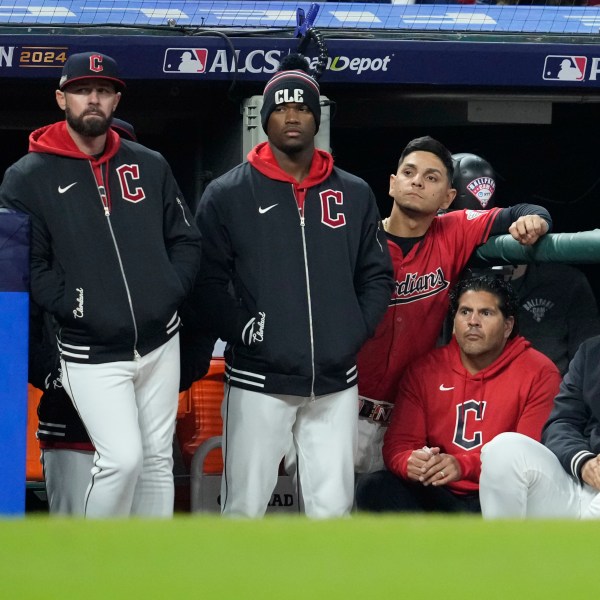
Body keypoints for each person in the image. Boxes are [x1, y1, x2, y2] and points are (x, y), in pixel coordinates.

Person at [0, 52, 202, 518]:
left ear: (116, 100)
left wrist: (167, 290)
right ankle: (96, 570)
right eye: (82, 90)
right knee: (122, 459)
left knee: (156, 460)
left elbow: (186, 239)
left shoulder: (148, 164)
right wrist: (77, 307)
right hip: (90, 347)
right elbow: (32, 264)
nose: (93, 98)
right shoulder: (28, 176)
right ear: (61, 98)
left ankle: (147, 574)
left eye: (104, 90)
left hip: (158, 341)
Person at [191, 53, 393, 518]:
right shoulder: (228, 193)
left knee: (333, 509)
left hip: (336, 382)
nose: (292, 116)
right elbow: (206, 280)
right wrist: (245, 330)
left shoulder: (355, 192)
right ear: (265, 120)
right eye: (281, 108)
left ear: (315, 117)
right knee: (243, 506)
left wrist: (352, 330)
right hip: (259, 379)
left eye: (302, 107)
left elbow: (377, 273)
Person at [354, 137, 552, 474]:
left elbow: (523, 212)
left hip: (406, 418)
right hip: (341, 409)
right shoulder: (354, 239)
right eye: (409, 172)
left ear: (448, 197)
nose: (417, 181)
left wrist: (537, 221)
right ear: (392, 183)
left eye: (431, 177)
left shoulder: (453, 229)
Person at [355, 275, 561, 513]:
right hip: (441, 489)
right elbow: (399, 444)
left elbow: (528, 457)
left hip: (501, 494)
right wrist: (412, 462)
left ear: (508, 326)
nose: (473, 321)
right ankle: (438, 547)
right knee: (374, 487)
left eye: (486, 313)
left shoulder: (539, 372)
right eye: (465, 312)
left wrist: (462, 466)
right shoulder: (426, 369)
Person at [30, 119, 138, 516]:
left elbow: (190, 310)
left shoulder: (153, 237)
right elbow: (19, 324)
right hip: (70, 420)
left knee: (139, 550)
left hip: (142, 417)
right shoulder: (50, 234)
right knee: (73, 544)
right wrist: (51, 373)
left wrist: (178, 373)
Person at [450, 152, 600, 377]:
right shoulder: (444, 278)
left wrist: (535, 221)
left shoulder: (566, 283)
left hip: (551, 405)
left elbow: (589, 370)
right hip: (470, 402)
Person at [479, 334, 600, 519]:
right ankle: (501, 544)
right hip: (581, 478)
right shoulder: (592, 351)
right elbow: (562, 422)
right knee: (504, 448)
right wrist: (584, 463)